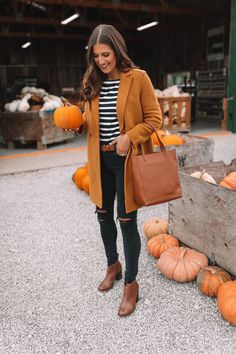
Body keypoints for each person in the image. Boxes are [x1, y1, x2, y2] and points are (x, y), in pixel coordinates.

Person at [74, 24, 162, 316]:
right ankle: (113, 264)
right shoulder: (92, 81)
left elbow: (154, 119)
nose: (101, 61)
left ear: (117, 50)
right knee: (103, 216)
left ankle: (131, 284)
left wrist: (129, 137)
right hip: (99, 160)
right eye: (96, 55)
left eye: (106, 54)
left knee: (126, 220)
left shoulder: (138, 78)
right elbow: (90, 121)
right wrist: (78, 121)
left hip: (126, 160)